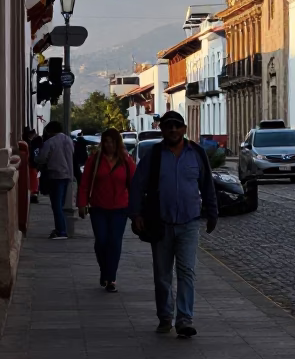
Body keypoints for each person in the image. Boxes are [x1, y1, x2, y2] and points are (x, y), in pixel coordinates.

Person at [129, 111, 218, 337]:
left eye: (177, 126)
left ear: (185, 129)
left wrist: (212, 212)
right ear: (162, 129)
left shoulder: (196, 153)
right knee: (162, 274)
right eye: (168, 126)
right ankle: (165, 317)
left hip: (189, 222)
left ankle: (185, 319)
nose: (173, 130)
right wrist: (136, 214)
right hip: (161, 223)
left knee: (187, 271)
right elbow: (137, 185)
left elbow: (207, 183)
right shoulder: (154, 155)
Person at [78, 129, 136, 292]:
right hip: (99, 208)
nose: (109, 144)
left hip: (120, 208)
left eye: (112, 141)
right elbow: (85, 184)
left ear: (117, 143)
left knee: (114, 242)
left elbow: (134, 184)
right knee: (101, 241)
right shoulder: (95, 160)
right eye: (106, 141)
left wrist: (136, 208)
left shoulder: (126, 160)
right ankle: (104, 270)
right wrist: (82, 204)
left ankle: (111, 278)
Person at [36, 121, 73, 239]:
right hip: (67, 175)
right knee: (60, 204)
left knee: (56, 205)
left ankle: (61, 231)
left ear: (50, 130)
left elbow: (41, 159)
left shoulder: (49, 142)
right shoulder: (69, 140)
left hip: (55, 175)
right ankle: (60, 228)